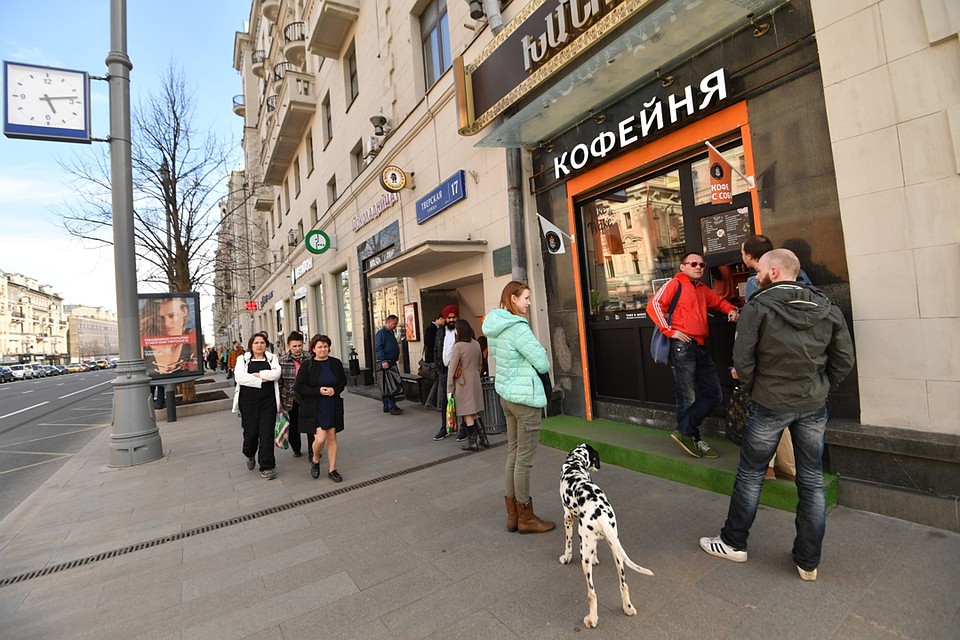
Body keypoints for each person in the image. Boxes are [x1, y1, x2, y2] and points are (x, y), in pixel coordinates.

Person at [699, 249, 855, 581]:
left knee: (750, 475)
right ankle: (808, 561)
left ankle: (733, 542)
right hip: (813, 403)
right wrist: (822, 386)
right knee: (812, 482)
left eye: (760, 271)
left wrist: (758, 389)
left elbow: (743, 361)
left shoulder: (758, 307)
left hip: (769, 404)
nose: (755, 275)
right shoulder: (827, 307)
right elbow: (844, 359)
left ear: (772, 271)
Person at [647, 252, 739, 459]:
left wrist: (731, 309)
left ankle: (685, 432)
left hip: (699, 346)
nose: (699, 267)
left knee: (715, 394)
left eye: (702, 264)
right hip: (683, 346)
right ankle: (693, 439)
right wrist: (670, 331)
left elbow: (718, 301)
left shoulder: (701, 289)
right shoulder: (675, 284)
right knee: (687, 396)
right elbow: (653, 305)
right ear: (683, 267)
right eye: (693, 264)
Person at [482, 281, 555, 534]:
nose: (529, 302)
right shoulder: (518, 328)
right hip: (525, 399)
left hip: (507, 396)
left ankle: (513, 516)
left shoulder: (495, 326)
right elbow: (543, 363)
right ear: (513, 299)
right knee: (524, 459)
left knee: (513, 454)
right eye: (525, 297)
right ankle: (526, 517)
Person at [741, 234, 811, 481]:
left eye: (743, 252)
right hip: (803, 356)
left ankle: (768, 467)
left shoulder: (754, 282)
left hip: (770, 357)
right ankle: (790, 467)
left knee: (767, 414)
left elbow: (753, 326)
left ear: (751, 256)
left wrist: (742, 366)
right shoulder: (803, 279)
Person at [294, 334, 348, 482]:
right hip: (315, 406)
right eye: (320, 347)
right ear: (313, 349)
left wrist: (335, 390)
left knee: (332, 436)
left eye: (325, 346)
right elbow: (299, 387)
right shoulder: (307, 365)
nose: (323, 349)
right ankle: (316, 458)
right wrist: (318, 391)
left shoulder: (335, 363)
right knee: (320, 438)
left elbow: (343, 381)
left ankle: (332, 469)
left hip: (332, 404)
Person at [232, 334, 282, 480]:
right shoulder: (243, 359)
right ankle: (249, 453)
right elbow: (240, 377)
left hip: (268, 401)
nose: (259, 345)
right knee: (251, 433)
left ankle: (267, 466)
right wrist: (262, 380)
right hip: (248, 401)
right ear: (251, 345)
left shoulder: (272, 358)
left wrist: (258, 374)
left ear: (266, 344)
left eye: (262, 342)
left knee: (266, 433)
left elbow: (277, 374)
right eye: (256, 343)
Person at [447, 319, 486, 451]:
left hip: (463, 383)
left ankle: (472, 441)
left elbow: (452, 368)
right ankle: (483, 437)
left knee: (466, 412)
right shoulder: (476, 344)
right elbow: (480, 364)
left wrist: (450, 387)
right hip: (475, 380)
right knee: (474, 410)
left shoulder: (458, 346)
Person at [140, 297, 198, 376]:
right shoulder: (144, 343)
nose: (166, 323)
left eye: (172, 316)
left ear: (184, 311)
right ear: (152, 319)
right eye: (160, 318)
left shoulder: (192, 337)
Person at [279, 331, 309, 459]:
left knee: (310, 424)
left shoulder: (309, 358)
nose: (297, 349)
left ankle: (313, 451)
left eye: (299, 346)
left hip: (307, 397)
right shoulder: (282, 361)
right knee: (293, 426)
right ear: (289, 346)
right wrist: (279, 400)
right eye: (294, 346)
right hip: (290, 398)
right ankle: (296, 448)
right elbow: (280, 382)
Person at [432, 305, 459, 440]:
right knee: (445, 400)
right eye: (449, 317)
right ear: (445, 318)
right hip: (443, 372)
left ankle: (464, 428)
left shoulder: (460, 331)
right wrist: (439, 367)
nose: (451, 320)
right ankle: (445, 427)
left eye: (454, 317)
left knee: (459, 400)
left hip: (458, 373)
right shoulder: (440, 332)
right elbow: (436, 350)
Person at [374, 315, 404, 416]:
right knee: (389, 384)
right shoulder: (381, 333)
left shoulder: (390, 332)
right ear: (389, 322)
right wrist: (383, 360)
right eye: (394, 323)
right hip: (386, 362)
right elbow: (378, 347)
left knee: (386, 384)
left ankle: (386, 405)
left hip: (390, 361)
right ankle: (391, 406)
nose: (395, 326)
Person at [422, 310, 445, 409]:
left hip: (434, 359)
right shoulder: (432, 329)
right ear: (440, 319)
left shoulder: (435, 328)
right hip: (434, 359)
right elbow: (429, 343)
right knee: (439, 380)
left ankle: (430, 401)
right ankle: (438, 403)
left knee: (438, 380)